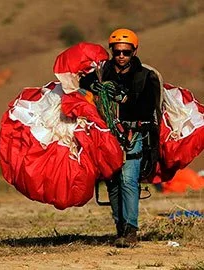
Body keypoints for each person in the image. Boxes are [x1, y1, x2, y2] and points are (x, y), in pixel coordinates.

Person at [79, 28, 162, 248]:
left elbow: (147, 108)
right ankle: (120, 229)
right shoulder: (101, 73)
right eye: (117, 52)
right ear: (112, 51)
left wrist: (125, 100)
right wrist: (94, 87)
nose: (121, 56)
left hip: (133, 134)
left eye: (126, 51)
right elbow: (81, 82)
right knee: (113, 182)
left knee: (128, 181)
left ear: (134, 51)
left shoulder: (145, 76)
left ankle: (131, 230)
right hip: (106, 136)